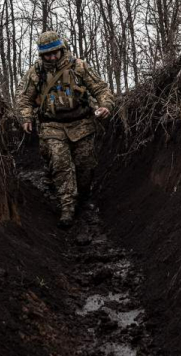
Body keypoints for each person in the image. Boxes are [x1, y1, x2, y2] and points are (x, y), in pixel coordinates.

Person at [16, 31, 115, 228]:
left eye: (55, 53)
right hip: (51, 125)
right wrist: (26, 117)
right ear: (41, 55)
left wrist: (105, 106)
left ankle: (84, 198)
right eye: (47, 55)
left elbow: (101, 89)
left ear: (62, 50)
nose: (52, 57)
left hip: (81, 124)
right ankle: (67, 206)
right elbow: (24, 97)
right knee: (60, 163)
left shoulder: (79, 66)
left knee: (85, 165)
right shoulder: (36, 72)